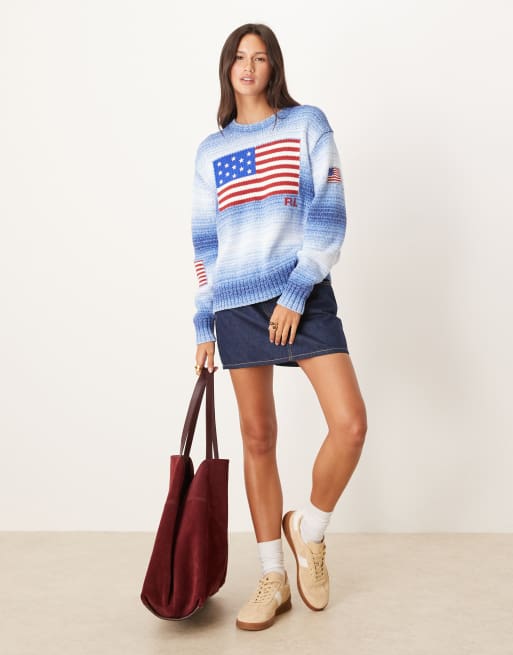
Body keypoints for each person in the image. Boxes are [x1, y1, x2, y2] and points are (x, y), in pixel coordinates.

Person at [190, 23, 367, 631]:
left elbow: (329, 213)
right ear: (227, 68)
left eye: (260, 57)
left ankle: (308, 532)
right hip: (236, 305)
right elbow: (206, 244)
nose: (248, 66)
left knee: (350, 423)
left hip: (303, 295)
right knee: (257, 437)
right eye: (239, 57)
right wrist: (203, 323)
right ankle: (273, 577)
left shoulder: (306, 125)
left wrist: (297, 291)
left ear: (274, 67)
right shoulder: (211, 151)